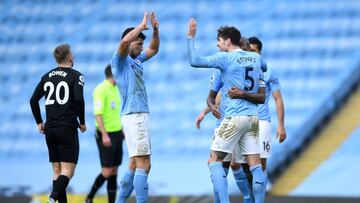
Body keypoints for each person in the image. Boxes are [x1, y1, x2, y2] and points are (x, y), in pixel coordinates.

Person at [187, 18, 266, 203]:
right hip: (253, 118)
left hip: (234, 117)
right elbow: (264, 67)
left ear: (228, 41)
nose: (217, 44)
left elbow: (194, 61)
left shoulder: (224, 58)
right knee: (255, 165)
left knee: (214, 160)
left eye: (219, 41)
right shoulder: (255, 57)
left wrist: (190, 38)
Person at [112, 11, 160, 203]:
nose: (142, 48)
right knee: (145, 164)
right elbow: (123, 43)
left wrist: (155, 30)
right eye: (138, 44)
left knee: (134, 163)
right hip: (135, 115)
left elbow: (154, 48)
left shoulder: (136, 60)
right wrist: (140, 26)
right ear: (130, 43)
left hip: (137, 115)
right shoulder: (120, 61)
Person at [29, 44, 87, 203]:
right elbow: (79, 99)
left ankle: (57, 200)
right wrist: (82, 122)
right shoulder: (76, 76)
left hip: (50, 129)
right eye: (72, 54)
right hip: (67, 127)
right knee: (68, 171)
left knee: (56, 170)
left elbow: (33, 100)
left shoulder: (46, 76)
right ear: (69, 57)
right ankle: (52, 197)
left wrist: (39, 122)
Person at [85, 65, 125, 203]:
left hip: (117, 133)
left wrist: (122, 130)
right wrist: (104, 134)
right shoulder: (100, 90)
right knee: (107, 171)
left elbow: (114, 112)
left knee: (114, 171)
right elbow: (98, 114)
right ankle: (89, 197)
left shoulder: (115, 89)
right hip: (106, 134)